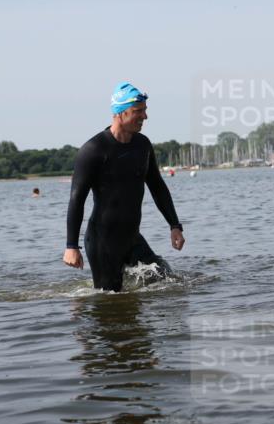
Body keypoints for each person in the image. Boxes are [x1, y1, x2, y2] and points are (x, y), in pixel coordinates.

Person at [63, 82, 185, 292]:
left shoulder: (143, 145)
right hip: (103, 243)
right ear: (120, 113)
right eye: (138, 111)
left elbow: (157, 186)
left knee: (166, 279)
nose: (144, 117)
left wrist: (175, 225)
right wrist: (71, 247)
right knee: (109, 301)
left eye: (145, 110)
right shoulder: (93, 150)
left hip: (133, 238)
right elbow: (77, 199)